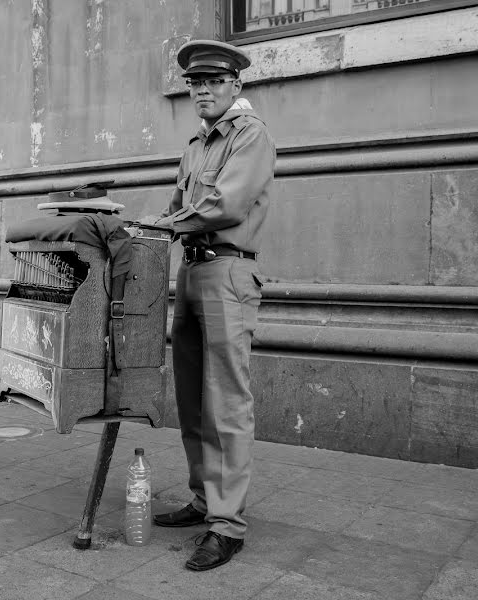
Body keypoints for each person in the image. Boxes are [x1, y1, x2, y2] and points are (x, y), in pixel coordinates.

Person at [147, 40, 277, 571]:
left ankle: (227, 526)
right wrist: (148, 225)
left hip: (227, 269)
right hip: (194, 270)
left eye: (213, 82)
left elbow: (224, 204)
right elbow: (179, 207)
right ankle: (204, 501)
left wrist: (164, 224)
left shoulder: (250, 135)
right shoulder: (197, 144)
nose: (202, 90)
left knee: (225, 401)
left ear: (235, 85)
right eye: (194, 84)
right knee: (193, 398)